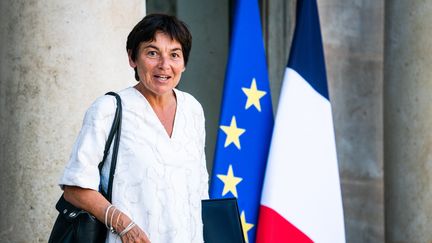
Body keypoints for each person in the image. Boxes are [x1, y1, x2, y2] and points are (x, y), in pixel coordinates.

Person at [60, 13, 208, 243]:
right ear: (132, 58)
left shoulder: (193, 110)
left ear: (184, 63)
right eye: (152, 53)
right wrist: (123, 225)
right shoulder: (109, 109)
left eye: (174, 55)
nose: (164, 65)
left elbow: (199, 190)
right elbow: (74, 187)